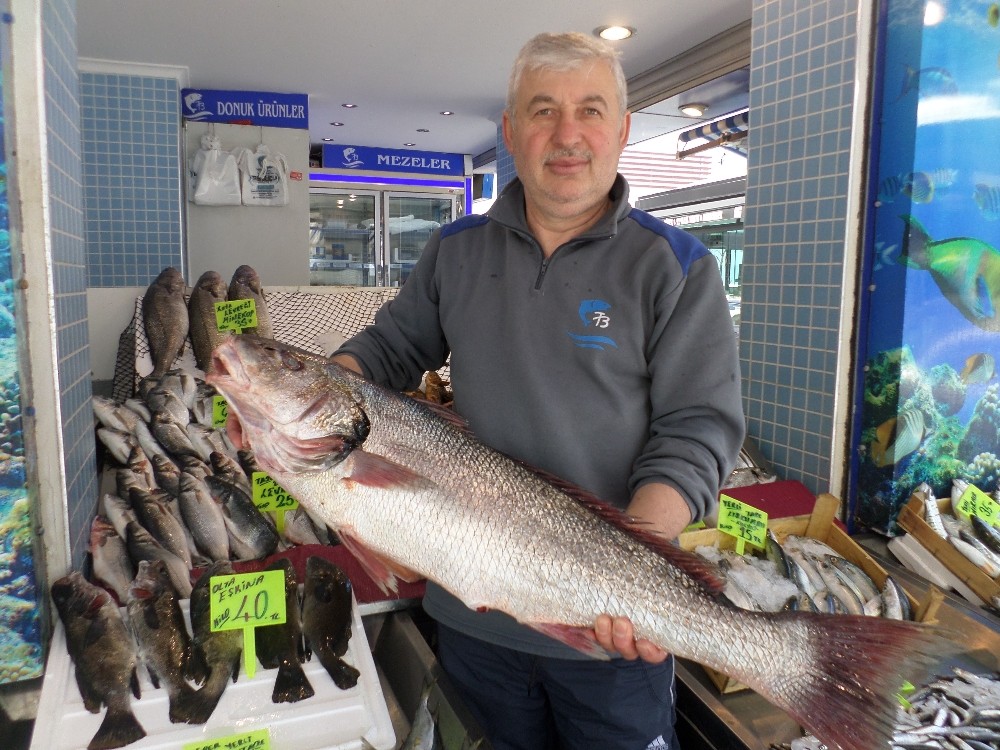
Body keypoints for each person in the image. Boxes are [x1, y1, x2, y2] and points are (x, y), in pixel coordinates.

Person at [333, 31, 745, 750]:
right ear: (510, 132)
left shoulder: (675, 266)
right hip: (473, 617)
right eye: (543, 110)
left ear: (621, 131)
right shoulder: (455, 252)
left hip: (610, 646)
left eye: (590, 111)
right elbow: (390, 348)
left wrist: (632, 569)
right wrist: (304, 394)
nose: (567, 135)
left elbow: (699, 429)